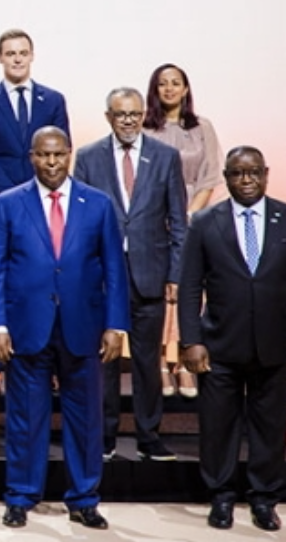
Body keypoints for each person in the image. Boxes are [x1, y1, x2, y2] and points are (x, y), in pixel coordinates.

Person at [0, 127, 127, 530]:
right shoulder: (8, 203)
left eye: (58, 154)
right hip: (26, 327)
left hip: (84, 328)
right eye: (43, 155)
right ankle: (20, 496)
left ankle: (84, 498)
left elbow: (115, 269)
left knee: (86, 419)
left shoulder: (97, 203)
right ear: (31, 157)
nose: (51, 163)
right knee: (25, 418)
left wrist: (116, 324)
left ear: (69, 154)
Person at [178, 146, 286, 532]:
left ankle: (264, 499)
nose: (247, 180)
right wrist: (191, 340)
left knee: (270, 427)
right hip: (218, 344)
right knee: (218, 427)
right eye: (238, 173)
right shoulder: (204, 222)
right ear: (226, 178)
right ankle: (221, 497)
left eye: (254, 172)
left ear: (266, 174)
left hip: (276, 346)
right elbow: (189, 285)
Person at [72, 87, 187, 462]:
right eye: (121, 114)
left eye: (134, 114)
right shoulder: (88, 157)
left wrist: (175, 274)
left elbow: (178, 221)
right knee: (103, 359)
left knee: (146, 361)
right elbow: (78, 221)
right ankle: (103, 435)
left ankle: (148, 436)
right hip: (102, 275)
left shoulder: (165, 157)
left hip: (149, 273)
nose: (128, 121)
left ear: (143, 116)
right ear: (108, 116)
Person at [144, 62, 223, 398]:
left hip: (194, 216)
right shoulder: (146, 129)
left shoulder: (202, 127)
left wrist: (190, 216)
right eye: (163, 83)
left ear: (186, 88)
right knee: (163, 291)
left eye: (176, 83)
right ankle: (162, 362)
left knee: (190, 289)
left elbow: (210, 175)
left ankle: (186, 362)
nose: (170, 88)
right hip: (155, 218)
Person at [0, 29, 70, 201]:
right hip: (0, 196)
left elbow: (62, 150)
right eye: (10, 54)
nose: (17, 59)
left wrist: (39, 191)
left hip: (44, 196)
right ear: (0, 58)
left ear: (32, 56)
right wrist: (12, 196)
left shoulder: (54, 100)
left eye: (23, 53)